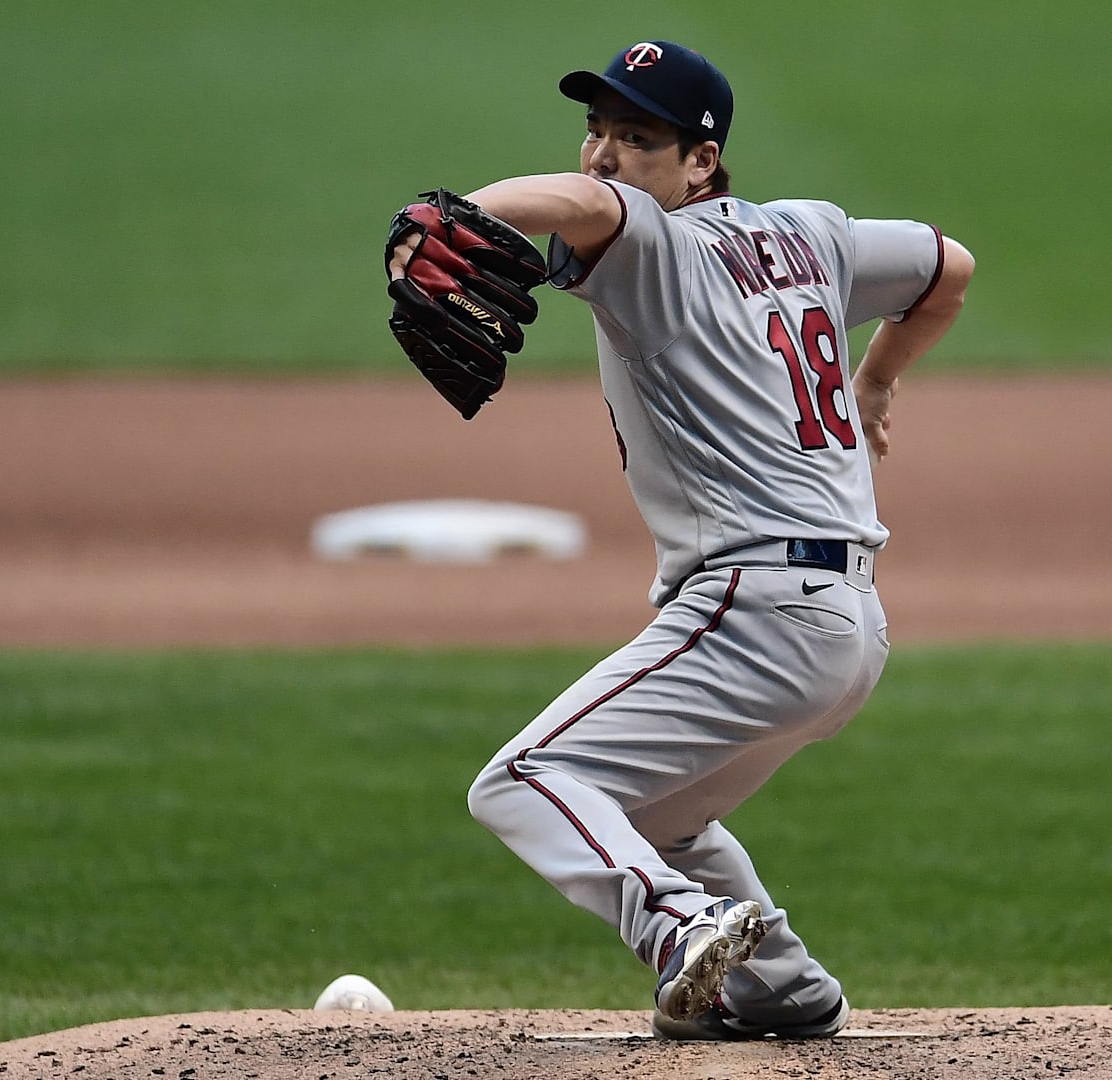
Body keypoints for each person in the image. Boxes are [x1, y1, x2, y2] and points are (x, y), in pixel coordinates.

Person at [397, 39, 974, 1039]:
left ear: (701, 163)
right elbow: (947, 270)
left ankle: (677, 926)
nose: (606, 154)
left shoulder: (650, 244)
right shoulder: (812, 234)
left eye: (639, 138)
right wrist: (875, 377)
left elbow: (588, 209)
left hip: (755, 613)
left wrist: (456, 211)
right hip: (850, 629)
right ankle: (781, 987)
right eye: (599, 130)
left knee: (526, 781)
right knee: (661, 814)